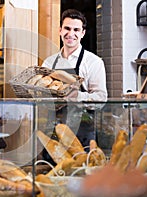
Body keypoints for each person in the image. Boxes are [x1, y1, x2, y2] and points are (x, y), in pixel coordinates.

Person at [42, 9, 108, 147]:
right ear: (60, 30)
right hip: (52, 131)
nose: (70, 34)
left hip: (82, 131)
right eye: (67, 28)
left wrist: (77, 96)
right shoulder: (49, 63)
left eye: (76, 30)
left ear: (82, 33)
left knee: (81, 168)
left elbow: (101, 98)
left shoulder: (93, 62)